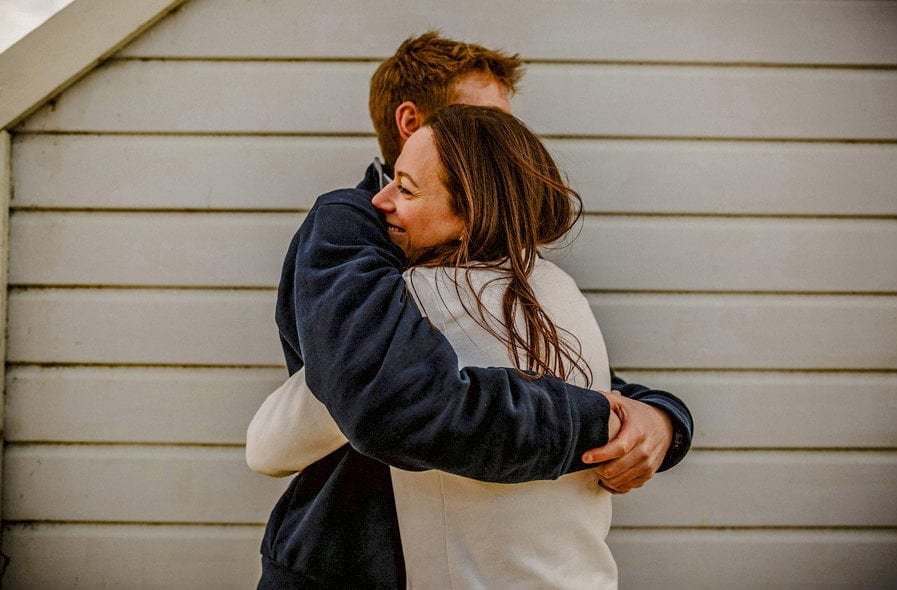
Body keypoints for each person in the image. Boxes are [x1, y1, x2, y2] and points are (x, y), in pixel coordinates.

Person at [251, 33, 693, 589]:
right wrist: (596, 421)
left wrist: (657, 416)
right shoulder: (350, 229)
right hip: (345, 556)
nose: (506, 141)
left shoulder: (518, 274)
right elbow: (376, 393)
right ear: (411, 122)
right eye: (482, 120)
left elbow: (540, 361)